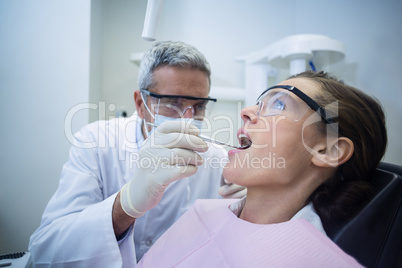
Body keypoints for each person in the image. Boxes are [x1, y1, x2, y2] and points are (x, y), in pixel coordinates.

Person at [137, 71, 388, 267]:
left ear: (327, 151)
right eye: (258, 104)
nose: (246, 112)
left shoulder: (313, 260)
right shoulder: (203, 212)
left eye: (279, 105)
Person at [28, 41, 245, 267]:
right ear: (141, 104)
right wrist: (126, 204)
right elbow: (45, 248)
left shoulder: (217, 160)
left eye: (199, 106)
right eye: (173, 103)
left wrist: (242, 216)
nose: (188, 118)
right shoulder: (96, 143)